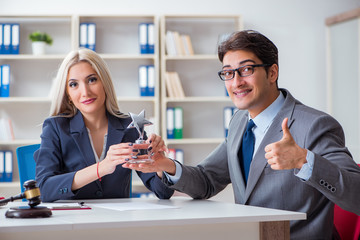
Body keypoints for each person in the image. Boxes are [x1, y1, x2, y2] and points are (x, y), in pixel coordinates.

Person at [123, 30, 360, 239]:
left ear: (272, 73)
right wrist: (167, 166)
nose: (236, 82)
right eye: (228, 73)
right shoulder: (239, 122)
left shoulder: (315, 125)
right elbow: (207, 180)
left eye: (246, 69)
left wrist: (304, 161)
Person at [34, 48, 174, 202]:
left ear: (104, 83)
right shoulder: (56, 127)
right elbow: (44, 189)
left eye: (92, 80)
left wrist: (160, 165)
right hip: (72, 221)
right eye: (74, 84)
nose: (85, 92)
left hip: (114, 222)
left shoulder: (130, 127)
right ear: (68, 94)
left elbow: (163, 193)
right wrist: (102, 167)